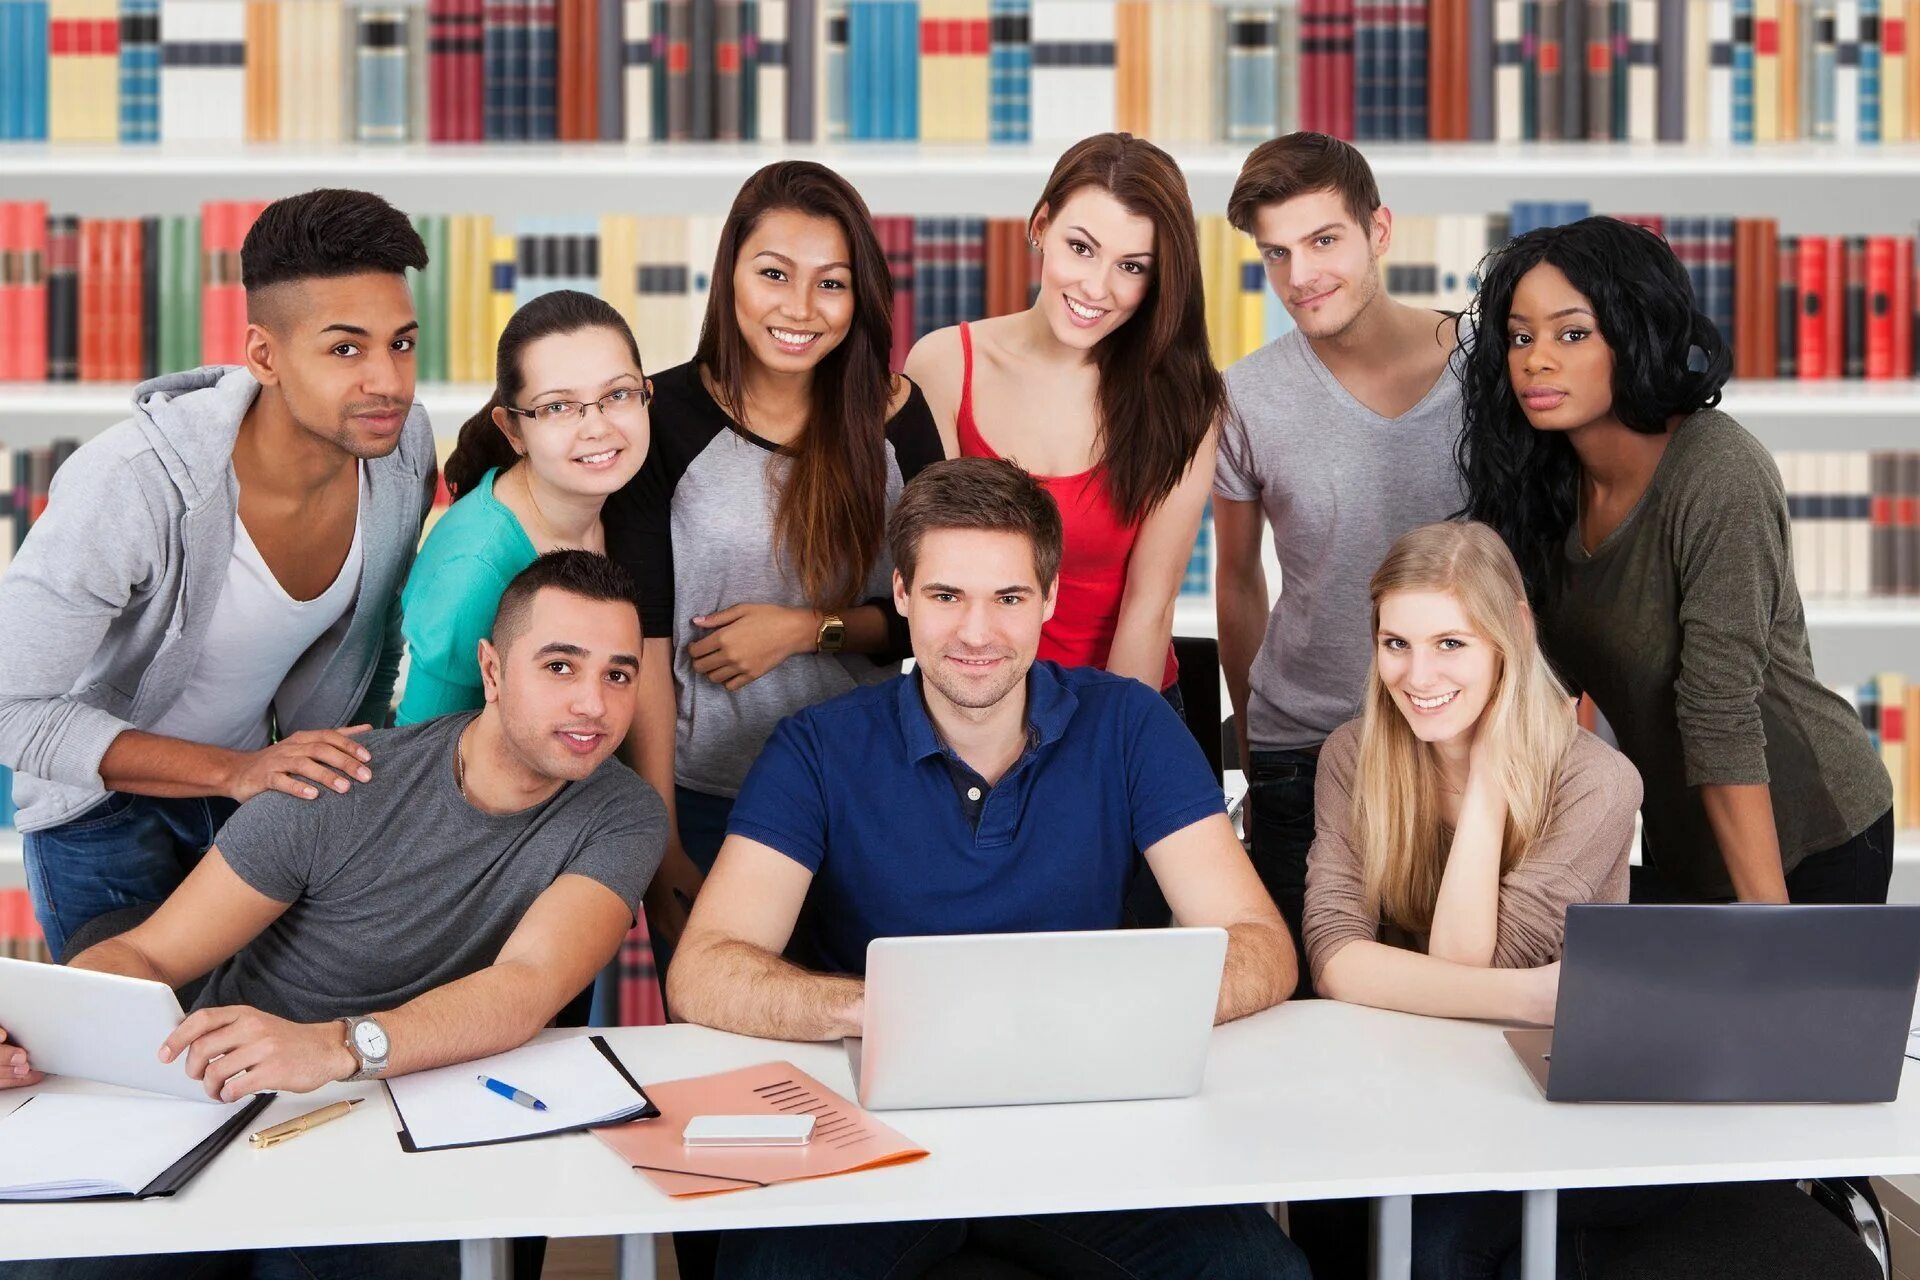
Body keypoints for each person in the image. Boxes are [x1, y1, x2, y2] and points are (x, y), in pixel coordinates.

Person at [667, 458, 1307, 1280]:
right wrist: (893, 1010)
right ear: (900, 595)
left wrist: (1098, 1016)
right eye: (946, 597)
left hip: (1089, 1124)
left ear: (1047, 599)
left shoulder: (1131, 725)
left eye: (1007, 599)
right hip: (876, 1132)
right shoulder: (817, 748)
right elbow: (705, 969)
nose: (976, 633)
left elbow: (1261, 943)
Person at [0, 551, 668, 1280]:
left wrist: (341, 1048)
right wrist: (42, 1030)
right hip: (228, 1100)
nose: (594, 706)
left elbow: (528, 984)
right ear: (494, 670)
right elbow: (147, 957)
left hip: (400, 1115)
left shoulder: (623, 816)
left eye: (618, 674)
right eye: (561, 667)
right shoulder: (338, 782)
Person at [0, 188, 439, 962]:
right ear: (264, 356)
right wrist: (235, 771)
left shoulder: (399, 450)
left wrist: (340, 778)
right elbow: (11, 710)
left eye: (401, 344)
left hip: (260, 793)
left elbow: (375, 632)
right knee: (134, 1053)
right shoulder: (132, 485)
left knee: (261, 1040)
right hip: (104, 811)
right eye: (345, 349)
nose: (389, 382)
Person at [1456, 215, 1893, 906]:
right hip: (1681, 836)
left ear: (1635, 337)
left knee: (1773, 1013)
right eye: (1520, 336)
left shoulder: (1718, 471)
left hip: (1806, 836)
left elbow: (1720, 712)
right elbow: (1544, 694)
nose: (1536, 359)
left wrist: (1773, 931)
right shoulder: (1538, 482)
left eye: (1573, 334)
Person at [604, 160, 943, 890]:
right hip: (704, 797)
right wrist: (660, 842)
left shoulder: (897, 416)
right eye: (774, 274)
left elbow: (935, 617)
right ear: (729, 276)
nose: (800, 308)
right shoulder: (661, 418)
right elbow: (645, 642)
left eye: (831, 283)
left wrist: (806, 629)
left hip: (867, 790)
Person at [1212, 132, 1468, 997]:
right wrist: (1253, 741)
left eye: (1324, 241)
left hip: (1470, 739)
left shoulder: (1488, 367)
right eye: (1275, 254)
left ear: (1380, 230)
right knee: (1305, 1011)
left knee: (1463, 998)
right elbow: (1239, 577)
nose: (1300, 277)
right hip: (1306, 745)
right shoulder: (1245, 396)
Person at [907, 133, 1217, 713]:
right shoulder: (944, 365)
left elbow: (1149, 608)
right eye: (1081, 247)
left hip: (1124, 706)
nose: (1097, 288)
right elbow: (935, 576)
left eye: (1130, 266)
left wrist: (1108, 758)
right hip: (974, 707)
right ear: (1041, 226)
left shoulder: (1185, 398)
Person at [1302, 520, 1638, 1027]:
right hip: (1401, 1058)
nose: (1417, 677)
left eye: (1450, 643)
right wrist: (1531, 996)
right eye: (1397, 643)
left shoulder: (1597, 782)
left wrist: (1488, 780)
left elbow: (1479, 970)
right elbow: (1333, 960)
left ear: (1515, 633)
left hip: (1538, 1072)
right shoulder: (1351, 756)